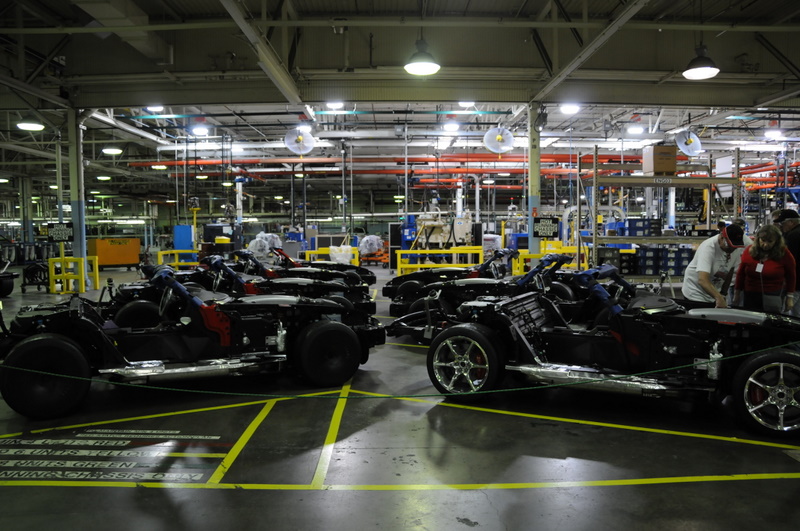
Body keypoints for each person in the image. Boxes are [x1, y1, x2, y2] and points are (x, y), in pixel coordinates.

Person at [681, 223, 746, 308]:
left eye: (735, 247)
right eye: (729, 246)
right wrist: (718, 297)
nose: (732, 249)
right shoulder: (708, 247)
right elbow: (702, 280)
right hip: (695, 292)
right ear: (722, 237)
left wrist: (723, 293)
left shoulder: (735, 248)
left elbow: (730, 271)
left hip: (713, 292)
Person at [734, 224, 796, 313]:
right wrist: (737, 294)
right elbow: (741, 274)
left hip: (773, 295)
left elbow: (791, 276)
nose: (766, 244)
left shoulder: (784, 253)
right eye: (763, 240)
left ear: (776, 241)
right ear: (758, 239)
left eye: (770, 241)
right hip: (750, 294)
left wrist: (790, 297)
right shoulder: (749, 251)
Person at [777, 209, 800, 316]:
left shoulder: (793, 235)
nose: (781, 226)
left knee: (784, 313)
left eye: (782, 223)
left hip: (794, 282)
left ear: (791, 222)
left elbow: (788, 261)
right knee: (797, 314)